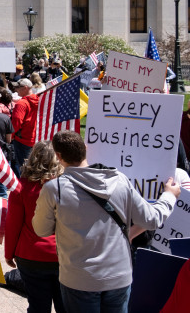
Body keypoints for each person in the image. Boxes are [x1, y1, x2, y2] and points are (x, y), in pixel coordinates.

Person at [32, 131, 181, 312]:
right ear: (85, 148)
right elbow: (152, 219)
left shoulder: (54, 189)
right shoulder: (120, 180)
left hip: (79, 279)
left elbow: (41, 229)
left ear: (58, 156)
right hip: (118, 277)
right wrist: (169, 196)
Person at [4, 140, 65, 313]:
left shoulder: (21, 187)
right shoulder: (67, 187)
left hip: (30, 255)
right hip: (63, 255)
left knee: (38, 307)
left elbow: (13, 224)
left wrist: (9, 253)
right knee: (65, 306)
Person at [10, 78, 39, 176]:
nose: (16, 89)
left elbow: (16, 122)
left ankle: (23, 185)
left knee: (23, 168)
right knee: (33, 167)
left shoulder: (21, 103)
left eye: (18, 87)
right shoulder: (38, 100)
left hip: (22, 140)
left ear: (25, 88)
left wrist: (11, 136)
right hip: (35, 139)